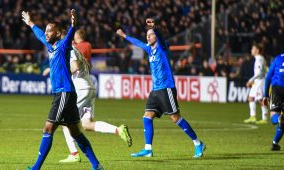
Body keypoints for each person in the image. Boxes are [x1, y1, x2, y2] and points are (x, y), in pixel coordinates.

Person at [21, 10, 103, 170]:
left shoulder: (63, 45)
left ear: (57, 33)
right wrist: (30, 23)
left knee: (48, 128)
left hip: (64, 92)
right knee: (76, 133)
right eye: (45, 31)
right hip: (67, 93)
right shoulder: (49, 46)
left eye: (49, 31)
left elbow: (70, 35)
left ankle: (36, 168)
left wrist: (73, 25)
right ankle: (97, 166)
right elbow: (39, 34)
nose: (45, 33)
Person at [116, 18, 205, 158]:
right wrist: (124, 35)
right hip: (155, 90)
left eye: (150, 35)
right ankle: (148, 149)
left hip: (166, 88)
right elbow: (138, 43)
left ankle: (198, 143)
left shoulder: (163, 48)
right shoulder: (149, 50)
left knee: (176, 118)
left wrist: (155, 27)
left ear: (156, 36)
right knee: (147, 117)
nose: (148, 37)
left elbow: (161, 37)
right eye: (147, 35)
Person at [43, 28, 132, 163]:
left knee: (66, 123)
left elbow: (75, 66)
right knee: (87, 124)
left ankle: (74, 154)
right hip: (89, 87)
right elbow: (85, 65)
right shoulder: (76, 50)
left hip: (79, 89)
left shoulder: (70, 49)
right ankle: (118, 130)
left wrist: (60, 70)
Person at [243, 44, 268, 124]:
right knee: (250, 98)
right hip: (256, 82)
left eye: (253, 48)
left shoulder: (259, 59)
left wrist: (250, 80)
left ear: (257, 50)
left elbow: (259, 73)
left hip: (260, 82)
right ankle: (253, 116)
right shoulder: (258, 59)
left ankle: (265, 118)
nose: (251, 50)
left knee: (260, 99)